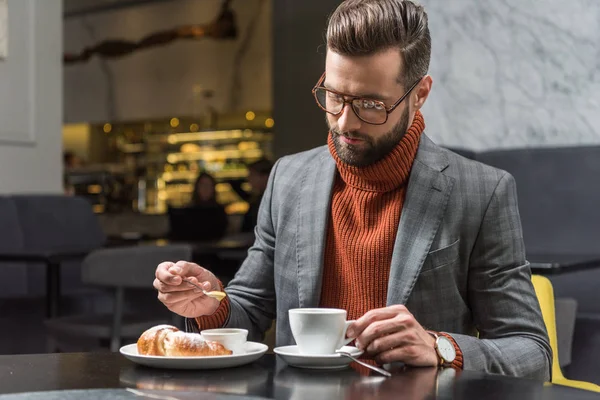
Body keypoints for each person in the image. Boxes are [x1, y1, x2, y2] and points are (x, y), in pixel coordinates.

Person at [154, 0, 551, 380]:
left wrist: (440, 348)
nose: (345, 122)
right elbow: (250, 311)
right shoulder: (288, 180)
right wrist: (212, 305)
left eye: (370, 104)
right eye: (334, 95)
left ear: (420, 94)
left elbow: (532, 352)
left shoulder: (482, 192)